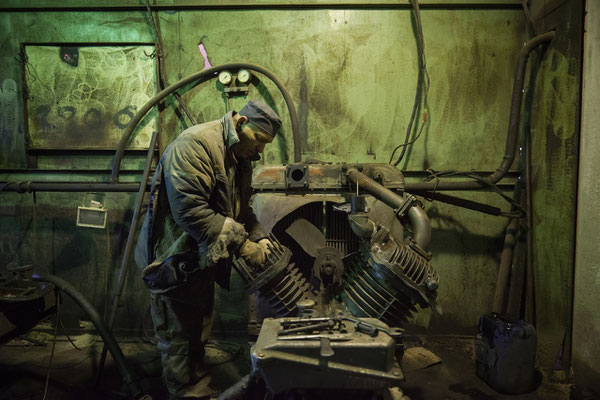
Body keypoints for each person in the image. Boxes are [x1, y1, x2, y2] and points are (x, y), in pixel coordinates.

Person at [134, 100, 281, 399]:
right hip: (173, 262)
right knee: (179, 340)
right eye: (260, 140)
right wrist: (243, 245)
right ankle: (187, 391)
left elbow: (239, 208)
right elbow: (191, 212)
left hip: (198, 262)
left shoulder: (240, 157)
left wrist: (260, 236)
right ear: (240, 123)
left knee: (196, 334)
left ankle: (192, 382)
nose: (261, 150)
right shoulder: (195, 146)